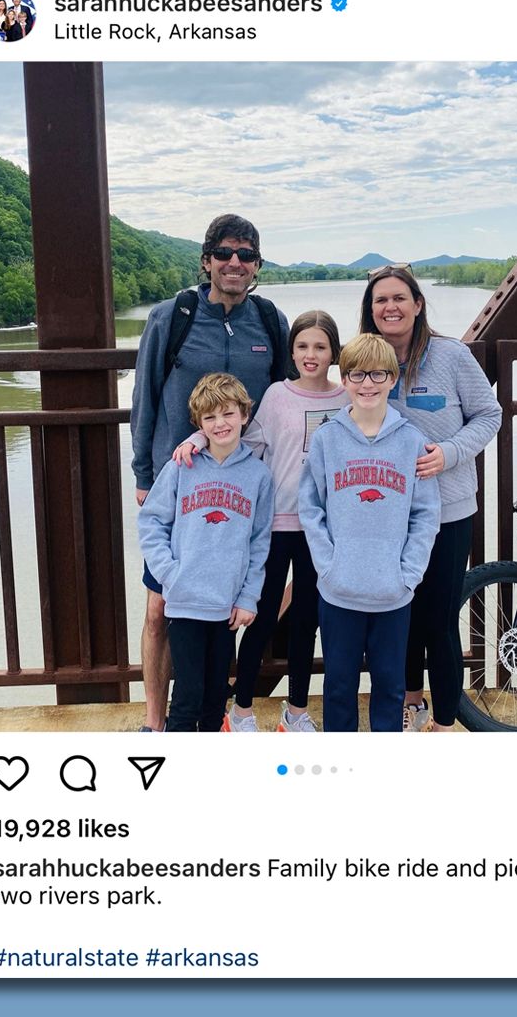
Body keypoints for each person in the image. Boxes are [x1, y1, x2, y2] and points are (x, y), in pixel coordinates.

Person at [130, 215, 290, 731]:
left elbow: (288, 398)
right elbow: (145, 398)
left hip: (245, 483)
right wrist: (144, 472)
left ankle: (211, 714)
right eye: (224, 253)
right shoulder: (171, 316)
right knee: (159, 613)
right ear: (206, 260)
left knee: (228, 607)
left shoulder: (268, 321)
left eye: (246, 255)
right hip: (177, 484)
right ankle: (157, 725)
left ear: (257, 266)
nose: (234, 263)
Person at [171, 310, 346, 732]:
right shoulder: (276, 396)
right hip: (275, 523)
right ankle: (241, 709)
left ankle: (297, 712)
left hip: (321, 529)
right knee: (262, 617)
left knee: (308, 621)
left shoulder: (345, 399)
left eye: (320, 347)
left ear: (333, 353)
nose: (311, 354)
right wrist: (197, 436)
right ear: (291, 351)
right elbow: (239, 438)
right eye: (302, 346)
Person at [360, 265, 502, 732]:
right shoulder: (365, 363)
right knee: (399, 616)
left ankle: (443, 722)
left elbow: (488, 414)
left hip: (448, 512)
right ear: (370, 310)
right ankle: (411, 703)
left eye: (399, 298)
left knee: (438, 622)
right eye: (381, 300)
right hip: (387, 515)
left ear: (418, 304)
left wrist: (451, 453)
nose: (390, 307)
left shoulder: (452, 356)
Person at [299, 333, 440, 732]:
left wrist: (408, 574)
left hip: (392, 593)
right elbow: (310, 507)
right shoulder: (327, 438)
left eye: (378, 374)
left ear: (393, 379)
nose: (368, 384)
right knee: (339, 686)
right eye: (357, 374)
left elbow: (425, 514)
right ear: (343, 380)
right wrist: (329, 566)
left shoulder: (411, 440)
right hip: (339, 589)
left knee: (391, 688)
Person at [136, 374, 275, 731]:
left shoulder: (258, 475)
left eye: (228, 414)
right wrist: (170, 574)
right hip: (185, 601)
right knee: (187, 696)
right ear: (199, 424)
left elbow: (260, 542)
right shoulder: (182, 466)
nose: (220, 424)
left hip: (226, 605)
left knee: (215, 695)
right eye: (210, 418)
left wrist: (248, 597)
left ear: (244, 415)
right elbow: (151, 522)